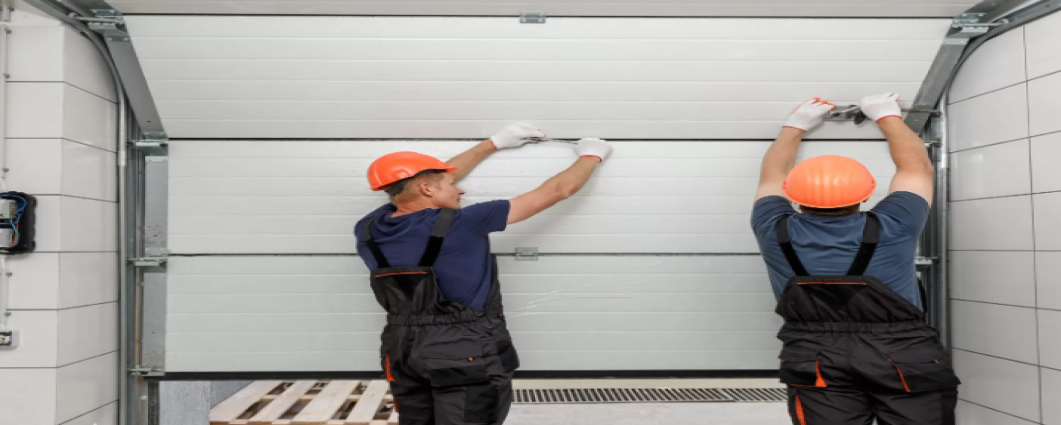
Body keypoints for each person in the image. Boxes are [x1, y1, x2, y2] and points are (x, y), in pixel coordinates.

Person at [355, 123, 612, 425]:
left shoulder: (370, 228)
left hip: (402, 348)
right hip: (463, 347)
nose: (460, 188)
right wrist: (592, 155)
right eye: (450, 184)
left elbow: (419, 184)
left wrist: (494, 143)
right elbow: (559, 190)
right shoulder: (464, 222)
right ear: (426, 189)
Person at [751, 94, 960, 425]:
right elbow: (915, 167)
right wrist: (887, 115)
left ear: (793, 194)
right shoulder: (896, 223)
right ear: (866, 193)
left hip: (816, 355)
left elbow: (772, 176)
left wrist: (795, 125)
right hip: (902, 351)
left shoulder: (772, 229)